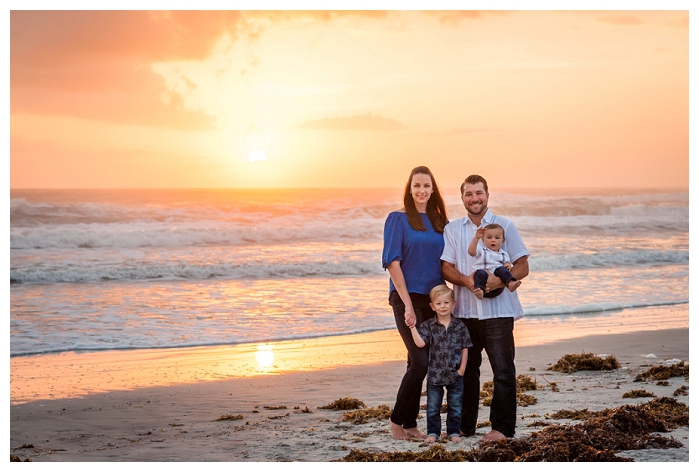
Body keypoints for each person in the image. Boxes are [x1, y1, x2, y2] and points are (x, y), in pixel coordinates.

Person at [440, 174, 530, 442]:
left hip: (499, 312)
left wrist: (495, 281)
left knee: (503, 371)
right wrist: (468, 281)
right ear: (462, 198)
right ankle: (465, 427)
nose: (474, 198)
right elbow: (446, 267)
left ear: (487, 196)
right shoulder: (453, 229)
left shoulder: (505, 226)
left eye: (479, 193)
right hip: (465, 312)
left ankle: (502, 429)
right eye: (468, 194)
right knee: (465, 371)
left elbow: (523, 265)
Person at [382, 166, 449, 440]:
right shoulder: (397, 219)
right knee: (421, 362)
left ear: (433, 190)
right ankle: (397, 421)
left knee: (419, 362)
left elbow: (447, 262)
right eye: (417, 185)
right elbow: (392, 263)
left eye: (427, 186)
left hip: (433, 301)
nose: (422, 190)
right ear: (409, 189)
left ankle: (409, 424)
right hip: (405, 298)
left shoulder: (439, 221)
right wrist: (407, 304)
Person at [409, 284, 472, 444]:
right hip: (435, 374)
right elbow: (420, 343)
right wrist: (412, 328)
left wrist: (462, 369)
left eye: (446, 303)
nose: (443, 306)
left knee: (455, 407)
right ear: (432, 306)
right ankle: (433, 433)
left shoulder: (459, 326)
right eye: (438, 303)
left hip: (455, 373)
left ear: (453, 304)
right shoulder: (429, 326)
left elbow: (465, 347)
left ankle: (453, 433)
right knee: (432, 407)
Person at [468, 223, 522, 300]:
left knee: (501, 269)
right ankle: (479, 291)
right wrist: (476, 238)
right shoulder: (482, 251)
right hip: (483, 285)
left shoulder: (504, 254)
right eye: (489, 237)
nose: (493, 240)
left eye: (497, 238)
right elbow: (471, 252)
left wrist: (508, 265)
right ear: (483, 239)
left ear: (502, 241)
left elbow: (507, 264)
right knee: (480, 273)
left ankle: (510, 283)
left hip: (497, 288)